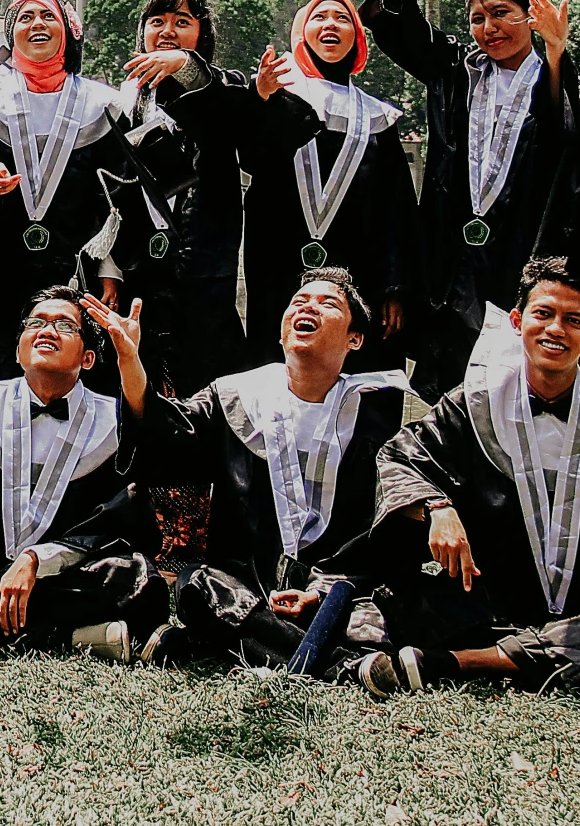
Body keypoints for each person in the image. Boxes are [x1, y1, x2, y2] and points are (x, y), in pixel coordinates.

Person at [370, 257, 580, 693]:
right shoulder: (472, 407)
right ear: (516, 321)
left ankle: (458, 664)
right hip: (486, 602)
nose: (556, 330)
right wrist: (438, 507)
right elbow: (400, 457)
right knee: (382, 608)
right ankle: (530, 654)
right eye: (543, 313)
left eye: (574, 320)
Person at [131, 268, 407, 691]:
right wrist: (132, 365)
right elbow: (168, 441)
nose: (307, 306)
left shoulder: (373, 414)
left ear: (355, 339)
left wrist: (321, 590)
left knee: (381, 616)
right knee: (199, 586)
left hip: (331, 589)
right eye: (298, 301)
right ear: (281, 333)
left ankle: (212, 641)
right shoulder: (237, 396)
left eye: (328, 303)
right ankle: (341, 667)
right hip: (248, 583)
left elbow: (382, 532)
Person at [364, 0, 577, 400]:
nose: (489, 28)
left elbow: (562, 139)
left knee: (516, 385)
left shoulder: (561, 73)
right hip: (452, 254)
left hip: (523, 248)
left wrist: (556, 51)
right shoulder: (457, 70)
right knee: (451, 386)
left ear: (531, 14)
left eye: (502, 13)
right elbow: (401, 23)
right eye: (477, 18)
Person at [0, 288, 164, 659]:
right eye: (36, 323)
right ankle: (71, 638)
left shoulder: (114, 424)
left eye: (64, 325)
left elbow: (115, 524)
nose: (47, 330)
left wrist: (35, 561)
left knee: (138, 578)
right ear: (17, 351)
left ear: (88, 358)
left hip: (65, 574)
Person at [122, 0, 311, 395]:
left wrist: (185, 65)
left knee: (209, 387)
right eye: (157, 21)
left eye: (182, 22)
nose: (167, 31)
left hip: (205, 270)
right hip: (143, 268)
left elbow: (229, 121)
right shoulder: (128, 101)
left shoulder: (226, 86)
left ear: (202, 34)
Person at [0, 0, 154, 381]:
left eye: (47, 17)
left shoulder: (101, 105)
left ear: (67, 32)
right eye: (25, 17)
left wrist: (110, 267)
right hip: (2, 266)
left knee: (77, 368)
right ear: (11, 32)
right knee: (3, 368)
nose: (36, 25)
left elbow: (117, 193)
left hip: (76, 266)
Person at [237, 0, 422, 372]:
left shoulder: (376, 119)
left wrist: (395, 287)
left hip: (360, 275)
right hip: (279, 268)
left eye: (342, 17)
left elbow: (397, 210)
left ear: (357, 34)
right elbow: (253, 159)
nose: (330, 24)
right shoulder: (278, 97)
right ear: (302, 33)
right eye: (319, 17)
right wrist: (262, 103)